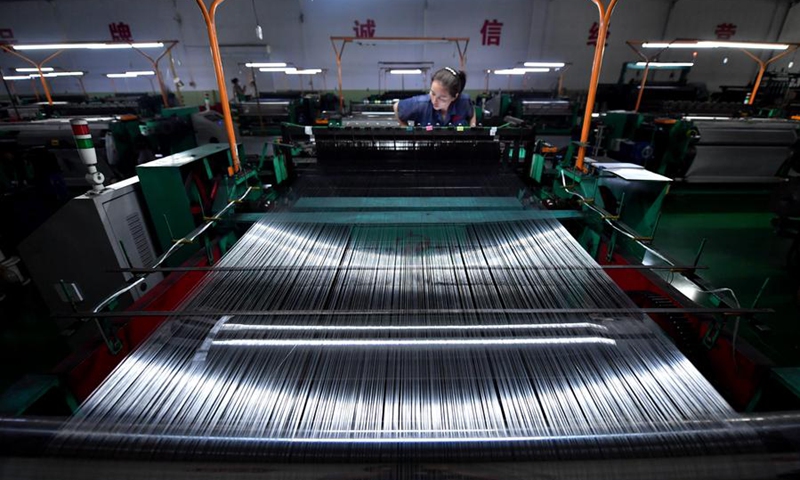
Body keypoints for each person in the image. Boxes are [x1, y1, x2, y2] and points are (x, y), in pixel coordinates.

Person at [393, 67, 476, 127]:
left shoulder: (463, 101)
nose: (434, 101)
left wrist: (473, 126)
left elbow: (471, 112)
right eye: (432, 93)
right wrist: (405, 128)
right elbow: (396, 106)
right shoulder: (421, 104)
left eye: (442, 98)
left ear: (454, 97)